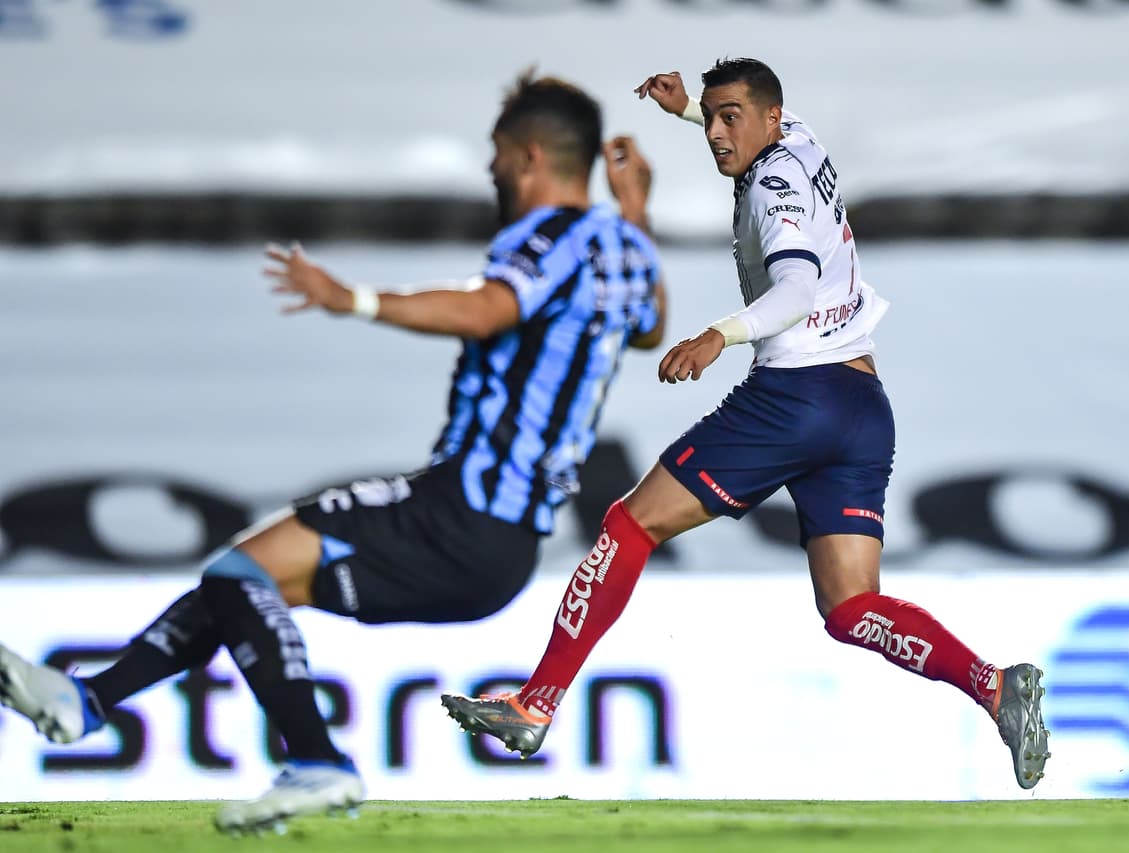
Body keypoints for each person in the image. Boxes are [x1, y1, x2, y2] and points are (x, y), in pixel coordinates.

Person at [0, 73, 667, 832]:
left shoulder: (551, 235)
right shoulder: (622, 246)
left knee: (238, 572)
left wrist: (353, 298)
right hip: (504, 549)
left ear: (528, 156)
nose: (489, 171)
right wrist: (638, 210)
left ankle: (316, 760)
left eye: (496, 154)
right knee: (246, 585)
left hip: (463, 506)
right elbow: (648, 326)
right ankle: (87, 700)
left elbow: (489, 309)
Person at [442, 58, 1051, 790]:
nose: (719, 133)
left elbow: (795, 286)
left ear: (768, 116)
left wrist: (715, 337)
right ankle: (993, 684)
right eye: (713, 117)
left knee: (628, 527)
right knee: (853, 605)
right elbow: (750, 130)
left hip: (794, 399)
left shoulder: (771, 187)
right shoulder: (799, 137)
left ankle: (537, 701)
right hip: (863, 406)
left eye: (732, 117)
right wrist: (684, 112)